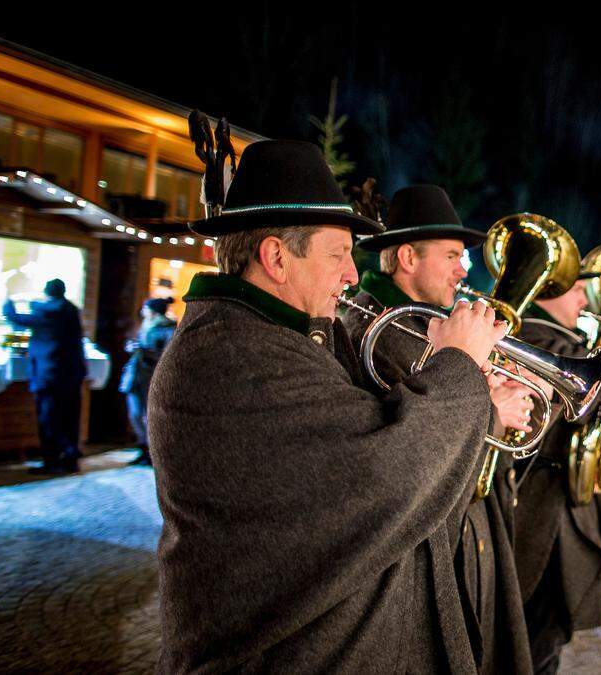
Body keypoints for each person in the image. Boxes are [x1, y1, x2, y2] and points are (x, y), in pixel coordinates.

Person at [147, 140, 508, 673]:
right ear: (276, 258)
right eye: (338, 253)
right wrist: (456, 365)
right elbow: (381, 471)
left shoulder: (279, 335)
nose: (352, 274)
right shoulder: (231, 353)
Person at [340, 184, 534, 673]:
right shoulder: (373, 328)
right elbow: (416, 451)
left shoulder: (431, 321)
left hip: (469, 530)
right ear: (407, 257)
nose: (464, 269)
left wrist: (506, 395)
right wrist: (490, 408)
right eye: (452, 255)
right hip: (428, 551)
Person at [513, 274, 601, 674]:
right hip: (536, 520)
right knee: (527, 647)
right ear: (545, 289)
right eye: (576, 287)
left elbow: (598, 429)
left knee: (548, 643)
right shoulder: (533, 336)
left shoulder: (581, 347)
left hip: (569, 520)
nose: (584, 297)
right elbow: (589, 379)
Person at [1, 278, 87, 474]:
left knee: (49, 419)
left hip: (49, 375)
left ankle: (52, 462)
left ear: (46, 292)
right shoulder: (70, 309)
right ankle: (70, 459)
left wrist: (7, 299)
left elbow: (15, 318)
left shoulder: (49, 310)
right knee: (69, 418)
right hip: (71, 375)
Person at [118, 297, 177, 466]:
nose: (143, 311)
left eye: (146, 308)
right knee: (135, 414)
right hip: (136, 376)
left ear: (153, 311)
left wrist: (144, 351)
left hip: (151, 376)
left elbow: (168, 355)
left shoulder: (167, 329)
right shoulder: (146, 326)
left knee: (148, 415)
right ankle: (142, 447)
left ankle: (152, 451)